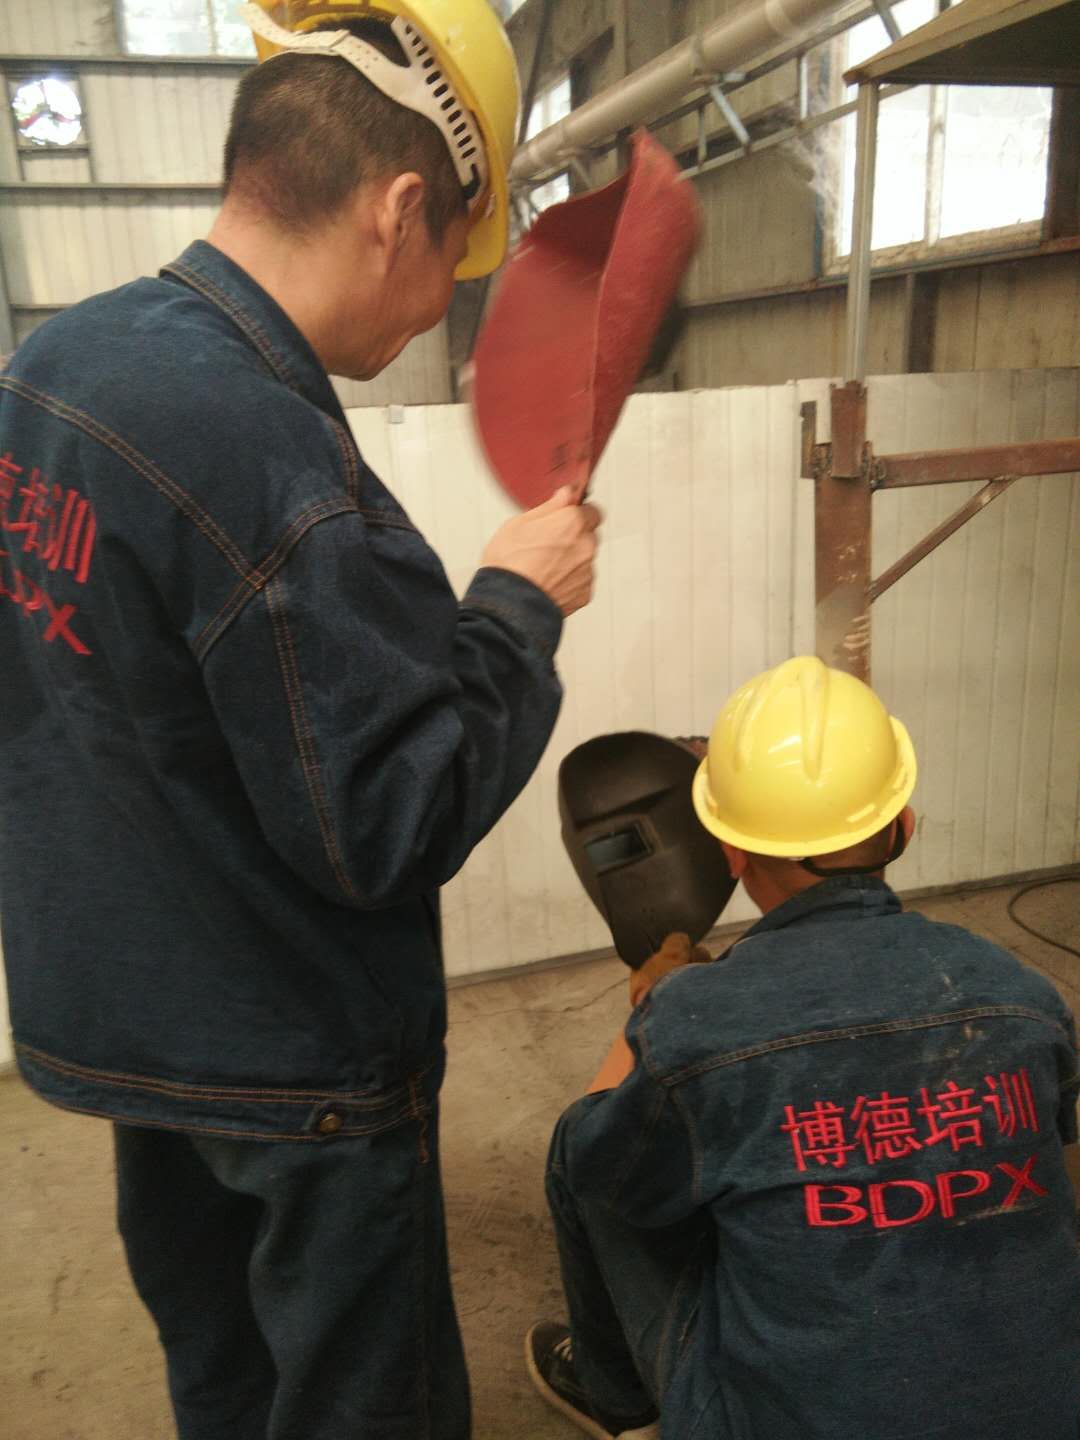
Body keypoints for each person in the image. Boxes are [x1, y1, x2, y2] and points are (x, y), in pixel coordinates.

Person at [0, 3, 600, 1437]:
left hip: (132, 1028)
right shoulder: (275, 459)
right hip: (297, 1067)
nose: (438, 308)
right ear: (402, 208)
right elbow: (389, 822)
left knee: (226, 1385)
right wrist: (517, 607)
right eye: (456, 260)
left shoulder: (53, 369)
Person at [527, 656, 1080, 1440]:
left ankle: (616, 1399)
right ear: (905, 825)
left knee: (585, 1152)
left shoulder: (696, 1021)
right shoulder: (1023, 995)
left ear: (729, 851)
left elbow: (607, 1165)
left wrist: (649, 1018)